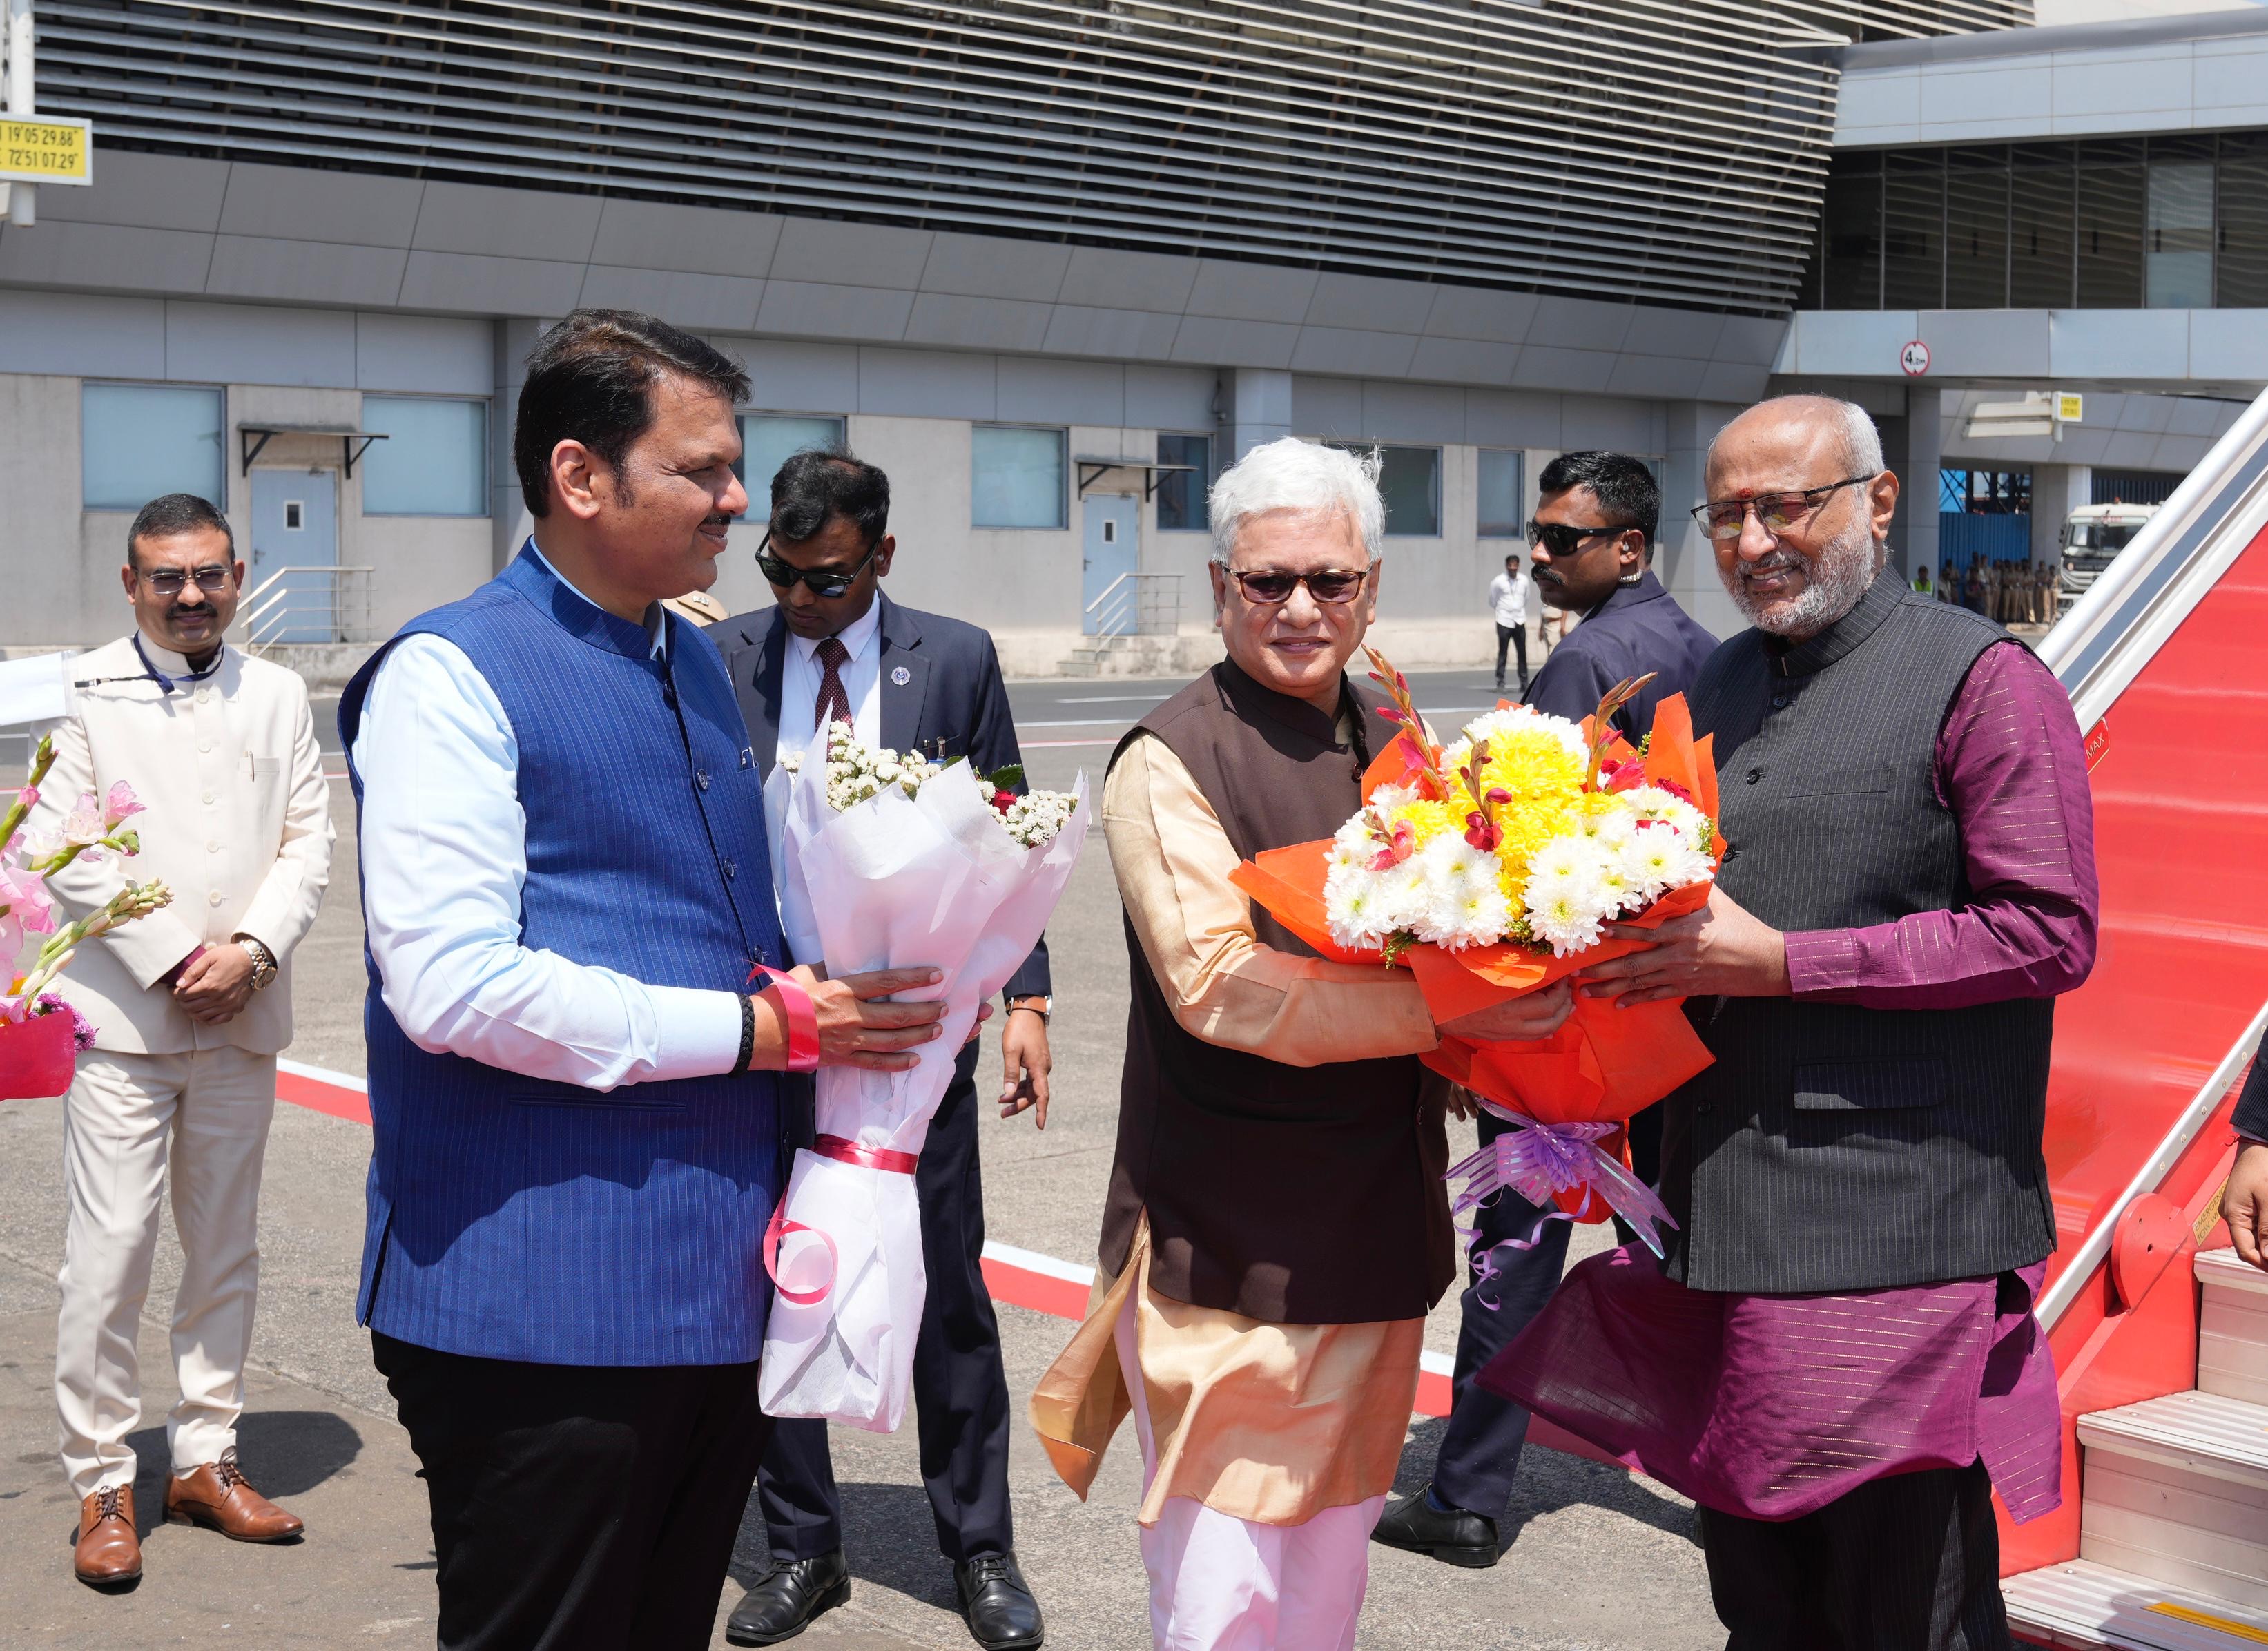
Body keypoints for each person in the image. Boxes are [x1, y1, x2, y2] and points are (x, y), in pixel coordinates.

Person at [340, 309, 953, 1650]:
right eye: (702, 469)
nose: (738, 498)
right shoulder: (451, 674)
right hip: (536, 1310)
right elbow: (451, 984)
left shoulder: (696, 658)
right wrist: (760, 1026)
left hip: (716, 1289)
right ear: (579, 477)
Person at [1484, 394, 2098, 1650]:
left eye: (1789, 506)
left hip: (1896, 1225)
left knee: (1903, 1602)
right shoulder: (1705, 683)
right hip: (1719, 1211)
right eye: (1728, 515)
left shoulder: (1981, 679)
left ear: (1876, 502)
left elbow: (2050, 932)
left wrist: (1789, 964)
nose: (1755, 539)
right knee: (1760, 1597)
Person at [1028, 437, 1573, 1650]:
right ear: (1222, 587)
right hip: (1229, 1249)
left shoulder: (1394, 726)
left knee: (1329, 1570)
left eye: (1328, 579)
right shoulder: (1172, 756)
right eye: (1267, 581)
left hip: (1375, 1225)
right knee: (1224, 1590)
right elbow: (1221, 986)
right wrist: (1452, 1013)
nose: (1298, 607)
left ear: (1369, 586)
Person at [715, 448, 1051, 1651]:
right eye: (786, 575)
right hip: (775, 1028)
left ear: (884, 556)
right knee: (783, 1275)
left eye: (832, 578)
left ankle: (981, 1545)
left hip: (917, 1034)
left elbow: (1009, 821)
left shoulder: (951, 656)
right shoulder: (722, 658)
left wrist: (1027, 1003)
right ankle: (804, 1544)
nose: (804, 601)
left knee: (949, 1293)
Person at [1373, 449, 1719, 1570]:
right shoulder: (1708, 654)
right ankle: (1727, 1473)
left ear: (1628, 546)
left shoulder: (1588, 662)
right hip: (1672, 1015)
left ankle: (1468, 1493)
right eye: (1539, 534)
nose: (1540, 553)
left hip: (1566, 1024)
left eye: (1563, 538)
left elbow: (1526, 849)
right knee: (1667, 1246)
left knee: (1516, 1247)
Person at [40, 492, 333, 1587]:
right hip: (127, 1020)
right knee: (108, 1258)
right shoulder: (83, 688)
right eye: (167, 577)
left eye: (209, 573)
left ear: (239, 571)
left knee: (224, 1250)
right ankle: (103, 1478)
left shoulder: (276, 693)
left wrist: (251, 950)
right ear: (131, 584)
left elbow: (309, 840)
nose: (192, 594)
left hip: (244, 1012)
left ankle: (206, 1457)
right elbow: (69, 848)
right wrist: (173, 954)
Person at [1486, 550, 1531, 695]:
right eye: (1510, 565)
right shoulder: (1499, 581)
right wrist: (1503, 610)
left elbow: (1526, 597)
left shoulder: (1524, 580)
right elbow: (1492, 599)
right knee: (1503, 652)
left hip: (1519, 619)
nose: (1513, 568)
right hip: (1504, 619)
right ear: (1506, 566)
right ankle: (1500, 681)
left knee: (1522, 652)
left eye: (1515, 565)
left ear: (1518, 566)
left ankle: (1524, 683)